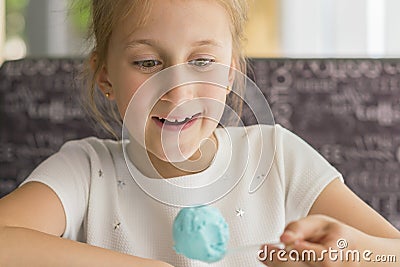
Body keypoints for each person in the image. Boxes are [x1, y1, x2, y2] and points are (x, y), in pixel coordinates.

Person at [0, 0, 399, 266]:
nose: (179, 90)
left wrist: (349, 251)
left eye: (203, 60)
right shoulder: (85, 171)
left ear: (233, 69)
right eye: (148, 61)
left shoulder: (278, 157)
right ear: (105, 76)